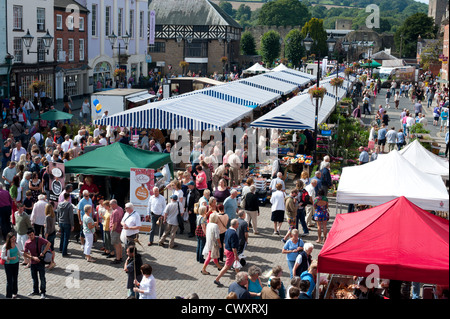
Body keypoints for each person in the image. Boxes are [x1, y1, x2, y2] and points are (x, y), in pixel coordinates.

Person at [23, 228, 51, 299]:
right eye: (30, 235)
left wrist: (43, 253)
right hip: (33, 263)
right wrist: (32, 257)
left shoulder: (39, 239)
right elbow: (25, 254)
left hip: (40, 262)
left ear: (34, 234)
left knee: (42, 278)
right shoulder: (27, 243)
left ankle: (43, 292)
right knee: (34, 278)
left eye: (32, 235)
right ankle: (35, 291)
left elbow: (48, 243)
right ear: (27, 235)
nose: (31, 236)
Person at [214, 219, 240, 287]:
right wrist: (236, 255)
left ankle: (239, 278)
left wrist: (225, 249)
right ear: (235, 225)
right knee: (226, 267)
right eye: (238, 224)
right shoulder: (234, 233)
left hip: (227, 249)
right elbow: (233, 247)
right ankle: (217, 279)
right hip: (231, 252)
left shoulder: (228, 230)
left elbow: (225, 240)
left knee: (235, 264)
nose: (238, 225)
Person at [1, 232, 21, 298]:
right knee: (9, 280)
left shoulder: (16, 244)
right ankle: (9, 295)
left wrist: (26, 253)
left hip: (16, 263)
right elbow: (2, 256)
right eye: (12, 239)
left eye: (14, 238)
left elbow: (19, 252)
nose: (14, 240)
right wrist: (10, 258)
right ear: (9, 239)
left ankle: (15, 292)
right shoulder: (5, 246)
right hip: (8, 264)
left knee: (15, 278)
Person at [56, 192, 74, 257]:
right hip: (67, 223)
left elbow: (57, 214)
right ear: (68, 197)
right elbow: (71, 216)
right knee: (66, 238)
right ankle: (64, 252)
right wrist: (72, 225)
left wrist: (58, 222)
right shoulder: (69, 205)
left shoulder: (59, 204)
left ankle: (60, 249)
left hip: (61, 222)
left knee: (62, 236)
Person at [110, 199, 124, 264]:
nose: (110, 206)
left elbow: (114, 223)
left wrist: (112, 230)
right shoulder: (120, 208)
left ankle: (118, 258)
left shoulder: (115, 212)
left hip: (116, 230)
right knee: (119, 244)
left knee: (116, 245)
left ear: (114, 204)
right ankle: (120, 257)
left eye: (111, 205)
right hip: (120, 229)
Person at [43, 204, 56, 269]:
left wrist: (45, 237)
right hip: (53, 233)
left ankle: (51, 263)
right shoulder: (53, 215)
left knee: (50, 249)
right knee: (52, 249)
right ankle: (52, 262)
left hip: (49, 235)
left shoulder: (47, 217)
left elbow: (47, 228)